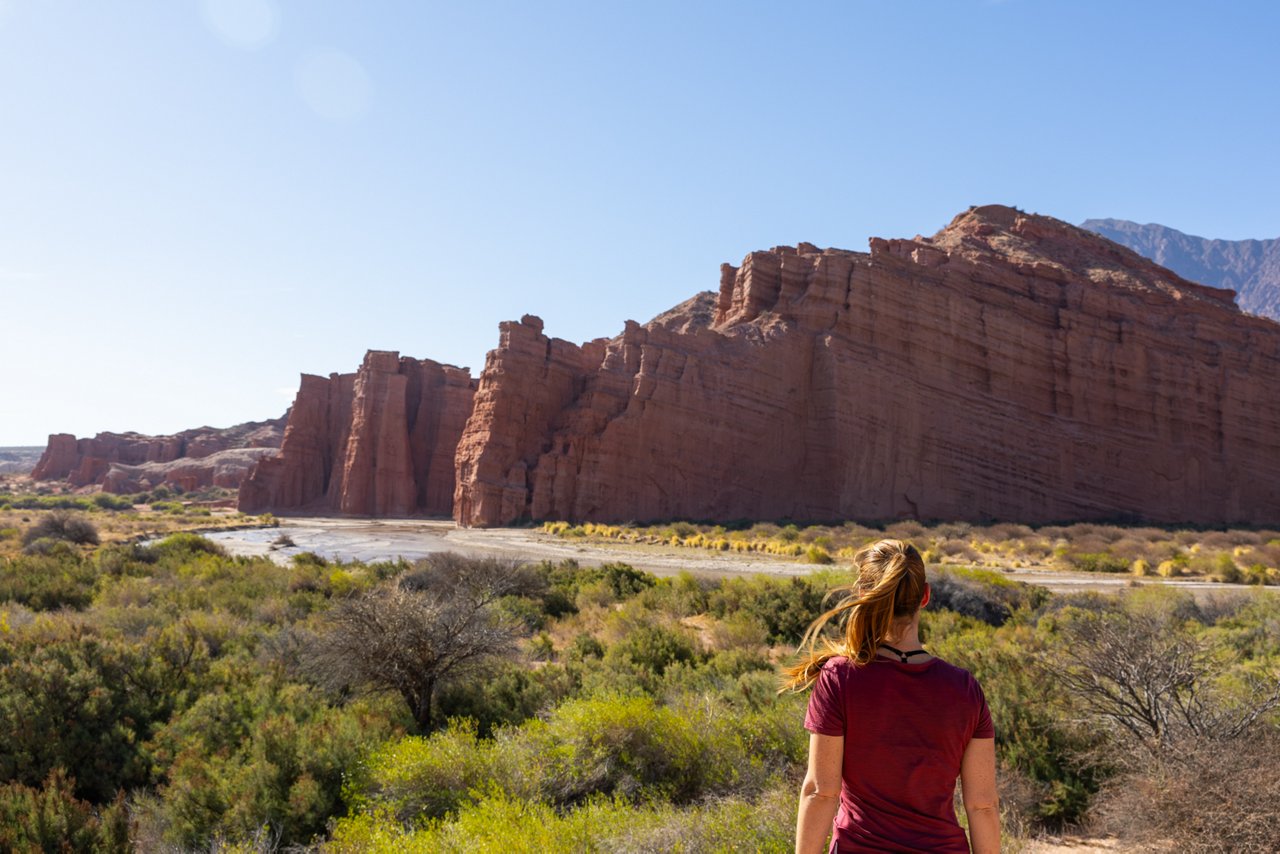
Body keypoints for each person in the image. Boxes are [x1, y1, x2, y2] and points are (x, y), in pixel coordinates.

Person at [783, 539, 999, 854]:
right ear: (925, 596)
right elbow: (983, 806)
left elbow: (820, 793)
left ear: (862, 596)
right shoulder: (964, 689)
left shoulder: (840, 678)